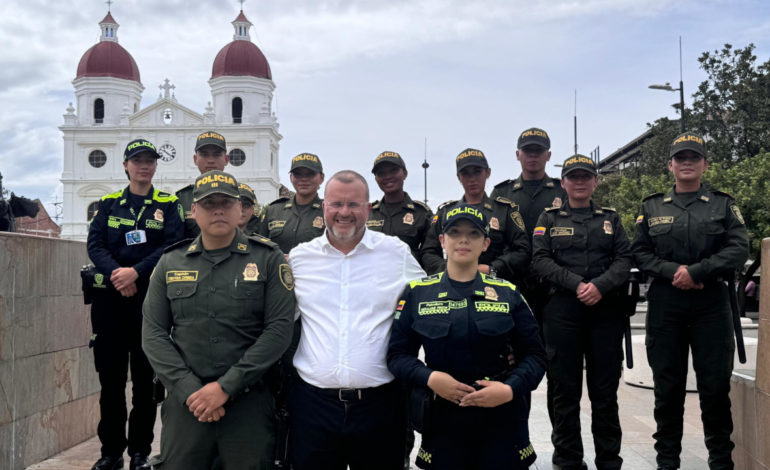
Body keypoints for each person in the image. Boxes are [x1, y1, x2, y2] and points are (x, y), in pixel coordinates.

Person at [142, 170, 296, 470]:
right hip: (188, 405)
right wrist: (191, 392)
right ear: (194, 211)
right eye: (209, 203)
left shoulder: (268, 258)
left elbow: (278, 330)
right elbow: (153, 333)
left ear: (241, 210)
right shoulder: (169, 262)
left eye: (226, 203)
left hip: (248, 405)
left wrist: (225, 387)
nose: (218, 210)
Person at [388, 204, 546, 469]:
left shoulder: (508, 293)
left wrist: (510, 389)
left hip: (501, 418)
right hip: (442, 419)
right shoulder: (417, 293)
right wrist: (431, 378)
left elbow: (536, 356)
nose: (463, 240)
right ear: (442, 241)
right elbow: (397, 356)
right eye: (455, 233)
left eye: (473, 234)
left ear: (485, 243)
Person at [288, 170, 426, 470]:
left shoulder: (396, 253)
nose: (344, 213)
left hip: (380, 406)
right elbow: (276, 319)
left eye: (353, 205)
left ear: (368, 208)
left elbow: (430, 304)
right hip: (314, 407)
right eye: (336, 204)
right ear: (324, 206)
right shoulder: (299, 259)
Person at [632, 132, 749, 470]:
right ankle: (667, 462)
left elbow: (739, 247)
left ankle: (720, 462)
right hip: (666, 305)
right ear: (670, 165)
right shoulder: (651, 206)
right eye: (680, 158)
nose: (686, 163)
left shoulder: (723, 204)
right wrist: (674, 272)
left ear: (705, 165)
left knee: (714, 389)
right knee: (667, 391)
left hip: (711, 304)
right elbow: (639, 251)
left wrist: (698, 272)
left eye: (693, 157)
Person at [86, 138, 184, 470]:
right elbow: (95, 244)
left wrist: (135, 274)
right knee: (110, 383)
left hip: (149, 302)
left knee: (146, 384)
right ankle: (110, 452)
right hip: (110, 302)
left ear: (155, 166)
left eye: (150, 161)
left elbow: (172, 245)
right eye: (138, 160)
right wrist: (117, 274)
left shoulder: (168, 204)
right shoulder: (109, 203)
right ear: (126, 165)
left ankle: (140, 453)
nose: (144, 166)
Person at [532, 155, 633, 470]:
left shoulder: (611, 219)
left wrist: (600, 286)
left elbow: (624, 258)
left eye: (585, 177)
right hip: (563, 310)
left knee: (604, 391)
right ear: (563, 183)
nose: (579, 182)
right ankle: (567, 459)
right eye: (573, 177)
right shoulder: (548, 219)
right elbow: (540, 259)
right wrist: (577, 284)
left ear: (595, 182)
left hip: (605, 311)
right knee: (564, 389)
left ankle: (608, 459)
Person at [420, 148, 530, 285]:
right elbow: (428, 251)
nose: (472, 179)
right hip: (452, 285)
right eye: (465, 174)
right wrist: (448, 269)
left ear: (488, 173)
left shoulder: (504, 211)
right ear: (458, 177)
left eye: (477, 172)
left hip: (495, 286)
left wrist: (492, 269)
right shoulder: (445, 212)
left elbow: (523, 251)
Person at [367, 150, 433, 264]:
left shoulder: (422, 213)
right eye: (381, 173)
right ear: (376, 179)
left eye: (393, 171)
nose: (387, 176)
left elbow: (431, 252)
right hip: (373, 277)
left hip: (410, 278)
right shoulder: (369, 213)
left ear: (405, 173)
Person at [257, 152, 326, 254]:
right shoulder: (273, 211)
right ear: (291, 178)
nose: (303, 179)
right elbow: (258, 248)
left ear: (321, 178)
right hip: (276, 269)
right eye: (298, 174)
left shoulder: (328, 211)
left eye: (310, 174)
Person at [176, 131, 230, 238]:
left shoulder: (241, 195)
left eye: (217, 154)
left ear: (226, 159)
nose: (210, 160)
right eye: (204, 154)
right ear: (195, 159)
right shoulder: (183, 198)